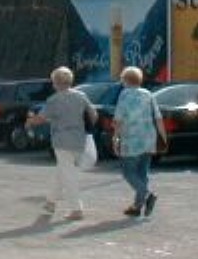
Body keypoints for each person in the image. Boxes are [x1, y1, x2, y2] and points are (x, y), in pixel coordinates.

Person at [28, 67, 97, 221]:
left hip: (61, 140)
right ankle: (51, 202)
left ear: (55, 83)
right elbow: (93, 114)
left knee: (68, 175)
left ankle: (76, 209)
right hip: (79, 139)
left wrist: (30, 121)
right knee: (62, 172)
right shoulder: (81, 96)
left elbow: (41, 118)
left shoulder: (54, 100)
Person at [111, 66, 167, 218]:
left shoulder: (125, 94)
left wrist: (115, 138)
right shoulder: (148, 94)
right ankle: (137, 206)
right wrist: (163, 136)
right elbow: (158, 117)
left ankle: (147, 195)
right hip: (149, 138)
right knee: (142, 173)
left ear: (125, 80)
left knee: (128, 172)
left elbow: (118, 119)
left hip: (131, 140)